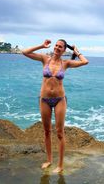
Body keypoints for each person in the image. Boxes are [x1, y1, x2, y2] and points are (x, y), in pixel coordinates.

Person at [22, 39, 89, 173]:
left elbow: (84, 61)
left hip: (59, 100)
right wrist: (42, 45)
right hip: (44, 99)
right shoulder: (44, 59)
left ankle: (60, 165)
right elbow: (24, 52)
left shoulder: (66, 63)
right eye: (56, 46)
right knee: (46, 131)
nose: (57, 48)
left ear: (64, 50)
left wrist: (76, 51)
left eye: (60, 47)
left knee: (59, 132)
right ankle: (49, 160)